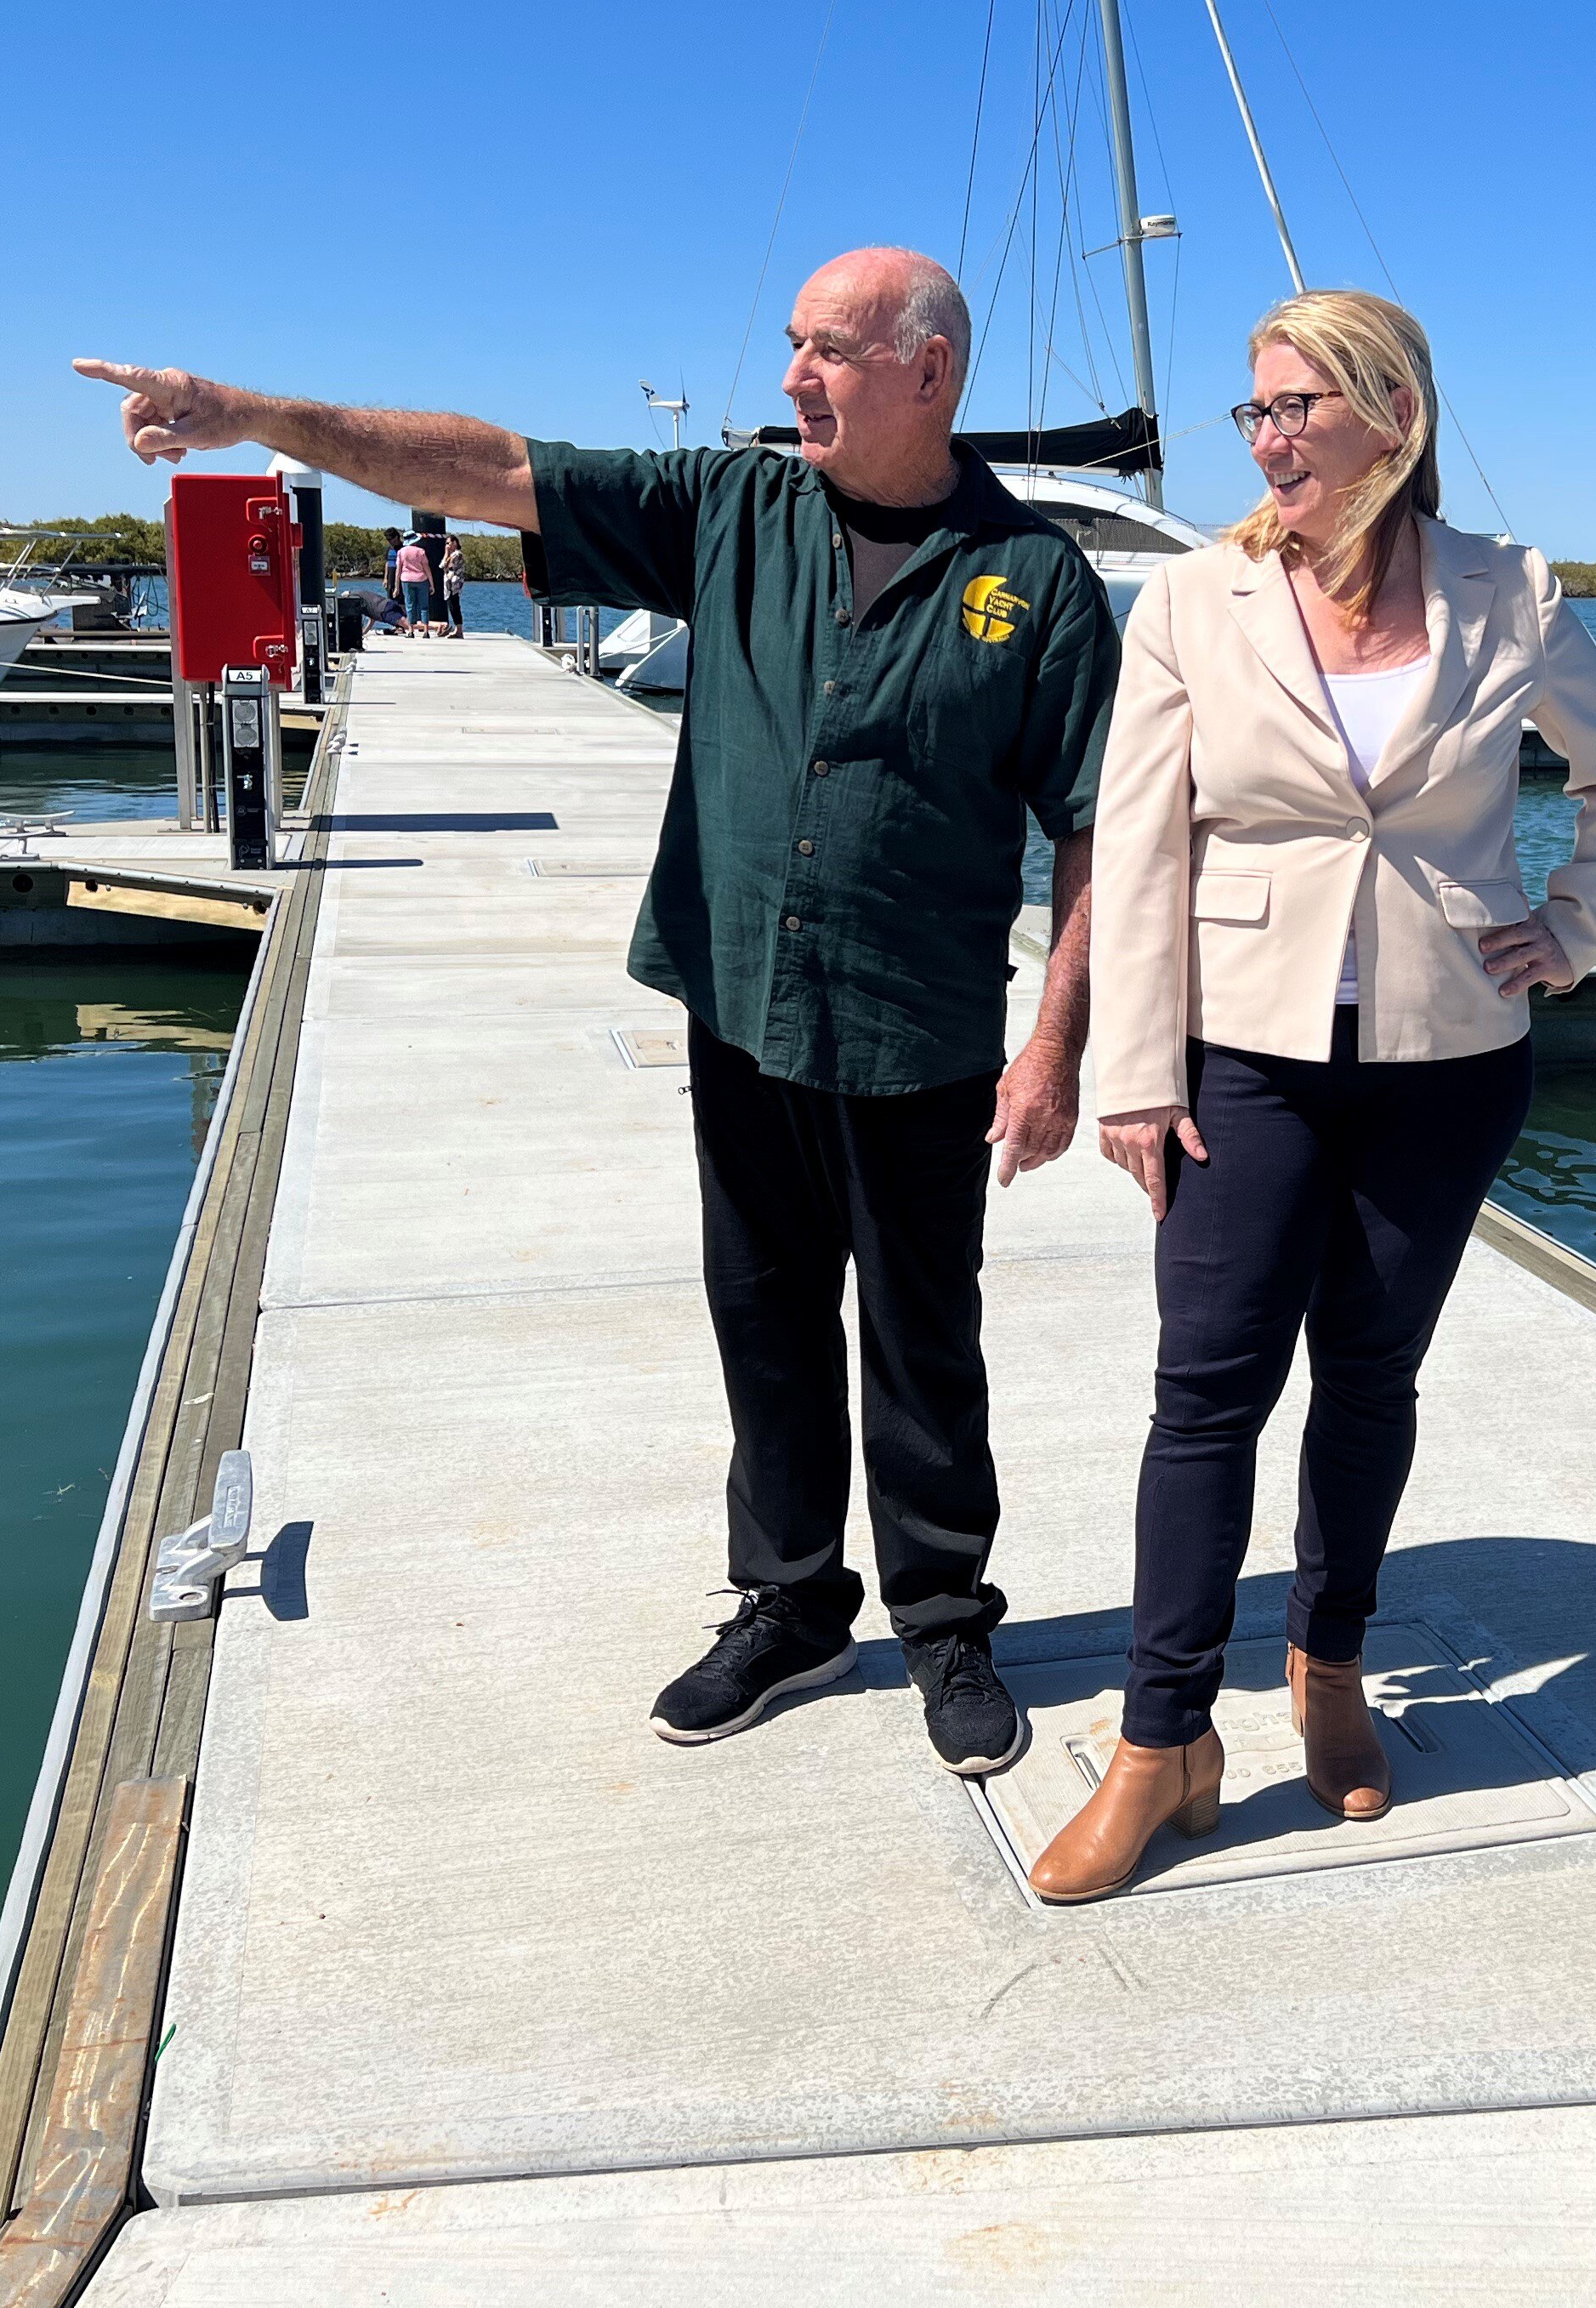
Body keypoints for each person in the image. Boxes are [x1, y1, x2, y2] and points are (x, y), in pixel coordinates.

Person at [72, 246, 1120, 1781]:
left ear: (927, 371)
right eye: (791, 344)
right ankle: (792, 1602)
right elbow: (492, 465)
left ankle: (945, 1614)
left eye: (826, 348)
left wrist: (1061, 1045)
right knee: (761, 1317)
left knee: (922, 1335)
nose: (791, 376)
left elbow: (1099, 821)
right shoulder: (735, 511)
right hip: (738, 1001)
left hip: (919, 1030)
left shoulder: (1033, 582)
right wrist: (250, 415)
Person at [1026, 291, 1596, 1903]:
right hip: (1239, 1052)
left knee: (1371, 1379)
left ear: (1397, 416)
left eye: (1301, 407)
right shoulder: (1194, 600)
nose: (1272, 439)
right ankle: (1161, 1738)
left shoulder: (1508, 592)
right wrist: (1130, 1074)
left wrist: (1572, 931)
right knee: (1207, 1391)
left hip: (1448, 1058)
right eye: (1258, 413)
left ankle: (1330, 1665)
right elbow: (1144, 837)